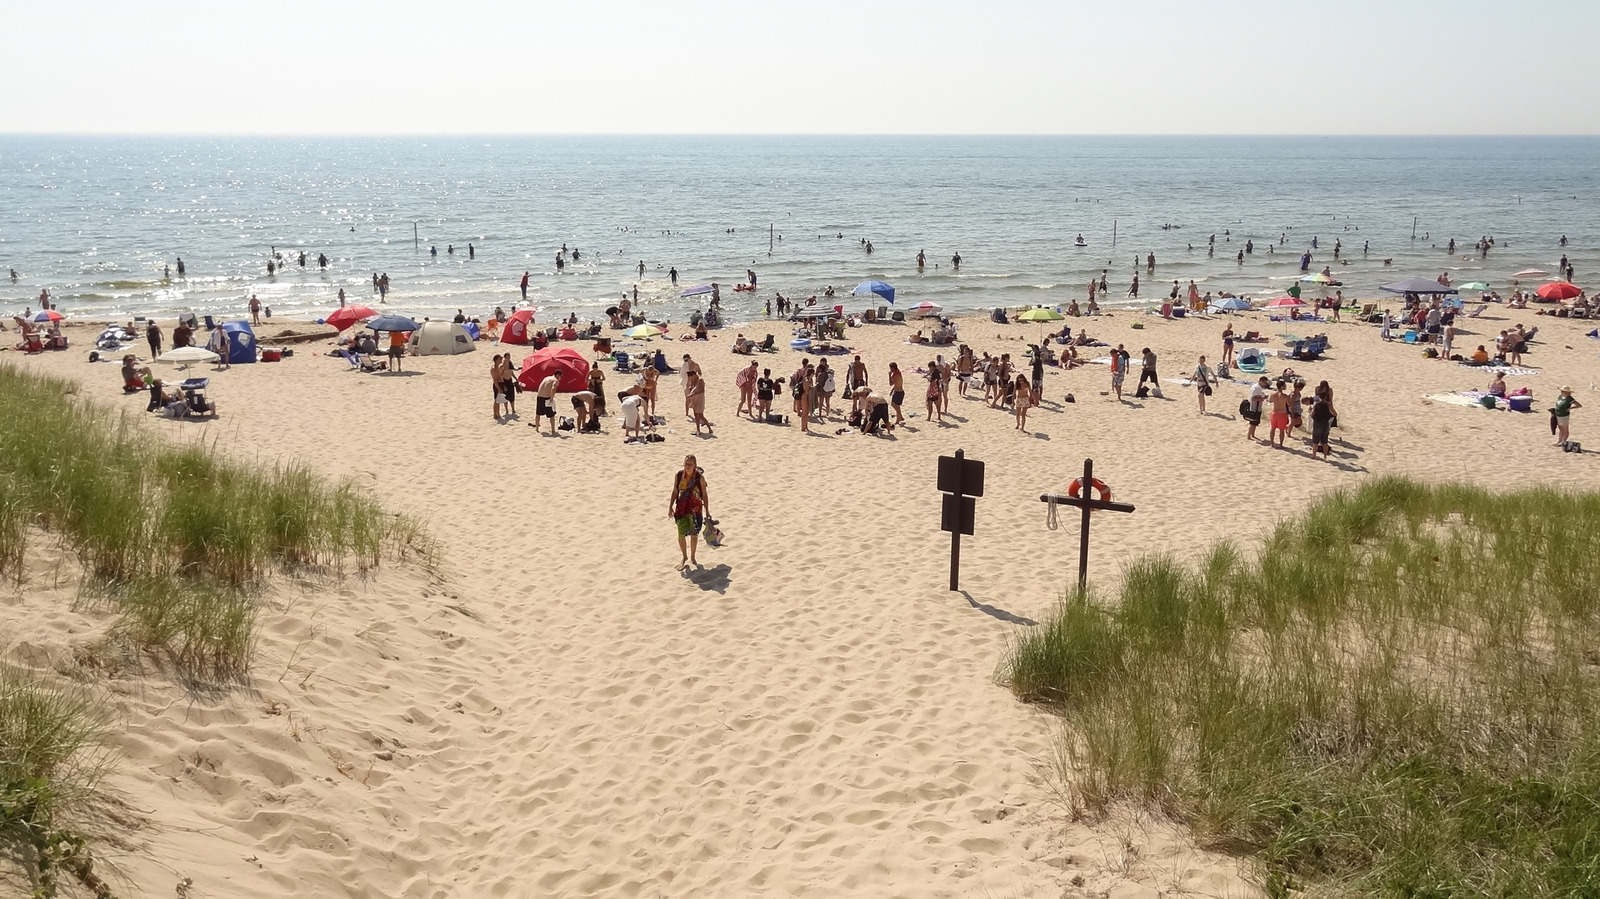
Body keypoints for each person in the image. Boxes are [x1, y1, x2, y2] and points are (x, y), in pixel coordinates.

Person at [668, 455, 710, 570]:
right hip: (681, 508)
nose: (687, 466)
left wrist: (708, 511)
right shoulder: (679, 475)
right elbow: (675, 491)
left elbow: (705, 495)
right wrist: (670, 506)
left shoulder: (699, 478)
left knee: (694, 533)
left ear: (695, 465)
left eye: (690, 464)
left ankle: (692, 556)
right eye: (686, 464)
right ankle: (684, 557)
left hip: (695, 510)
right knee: (681, 533)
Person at [685, 370, 713, 436]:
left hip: (699, 399)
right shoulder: (695, 380)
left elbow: (702, 390)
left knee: (700, 415)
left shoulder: (700, 380)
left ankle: (710, 429)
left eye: (691, 377)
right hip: (696, 399)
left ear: (693, 375)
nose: (691, 379)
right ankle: (698, 430)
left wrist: (692, 394)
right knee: (696, 415)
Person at [1247, 375, 1269, 441]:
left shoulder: (1259, 388)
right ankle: (1249, 436)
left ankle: (1252, 434)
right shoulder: (1256, 388)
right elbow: (1253, 398)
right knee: (1252, 423)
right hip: (1254, 408)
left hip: (1258, 407)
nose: (1265, 384)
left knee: (1255, 423)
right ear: (1261, 381)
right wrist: (1262, 398)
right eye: (1264, 383)